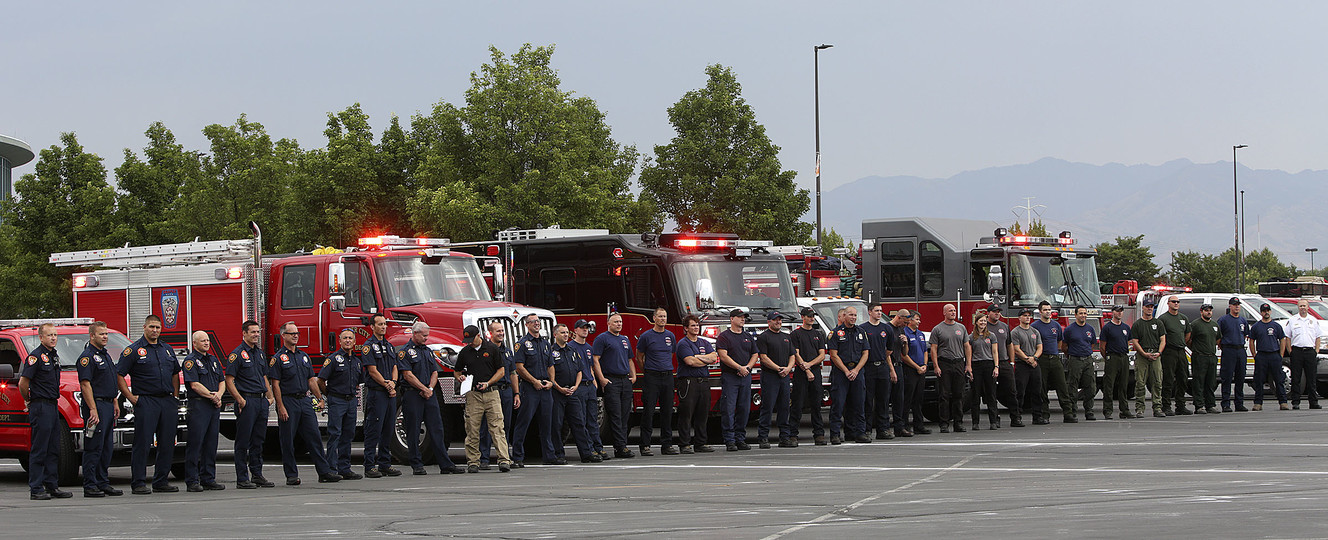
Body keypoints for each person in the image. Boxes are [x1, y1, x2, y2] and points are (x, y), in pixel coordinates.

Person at [270, 321, 341, 484]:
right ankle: (291, 475)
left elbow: (311, 379)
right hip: (288, 401)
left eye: (297, 333)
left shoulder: (303, 356)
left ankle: (324, 472)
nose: (295, 336)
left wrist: (319, 398)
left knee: (314, 437)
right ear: (283, 336)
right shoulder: (278, 358)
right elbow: (275, 384)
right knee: (287, 440)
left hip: (304, 400)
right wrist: (280, 406)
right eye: (291, 333)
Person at [116, 315, 181, 494]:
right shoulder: (134, 350)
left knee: (167, 442)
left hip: (167, 401)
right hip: (146, 401)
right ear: (144, 327)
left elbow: (175, 372)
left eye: (158, 328)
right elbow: (119, 374)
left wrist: (175, 396)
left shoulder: (167, 349)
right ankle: (138, 483)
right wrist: (130, 397)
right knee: (143, 443)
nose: (155, 330)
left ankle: (161, 481)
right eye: (152, 327)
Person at [398, 321, 466, 474]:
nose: (426, 338)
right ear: (415, 334)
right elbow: (407, 375)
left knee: (437, 428)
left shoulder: (427, 351)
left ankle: (445, 464)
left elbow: (435, 372)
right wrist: (423, 388)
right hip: (413, 394)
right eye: (424, 335)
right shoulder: (405, 352)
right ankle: (416, 464)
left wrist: (429, 388)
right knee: (413, 430)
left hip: (429, 394)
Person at [20, 323, 71, 500]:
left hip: (52, 405)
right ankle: (36, 488)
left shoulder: (54, 356)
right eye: (49, 335)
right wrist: (29, 400)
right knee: (40, 449)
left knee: (53, 448)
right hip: (40, 405)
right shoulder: (35, 357)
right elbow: (23, 383)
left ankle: (52, 485)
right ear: (41, 337)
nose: (53, 338)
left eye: (55, 335)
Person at [455, 325, 514, 472]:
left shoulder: (492, 349)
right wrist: (460, 377)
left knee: (497, 428)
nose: (470, 342)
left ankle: (504, 460)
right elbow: (457, 371)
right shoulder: (465, 352)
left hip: (491, 392)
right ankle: (473, 461)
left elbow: (501, 371)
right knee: (472, 428)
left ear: (478, 336)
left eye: (472, 339)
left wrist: (488, 383)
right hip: (473, 394)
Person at [225, 320, 275, 489]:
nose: (256, 335)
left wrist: (270, 396)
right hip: (247, 401)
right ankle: (242, 478)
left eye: (257, 332)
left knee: (258, 440)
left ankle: (257, 474)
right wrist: (240, 399)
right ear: (244, 334)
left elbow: (263, 376)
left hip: (261, 401)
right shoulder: (237, 354)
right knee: (243, 441)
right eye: (252, 332)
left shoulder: (259, 354)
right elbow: (229, 380)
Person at [76, 322, 121, 497]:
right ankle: (90, 485)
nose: (104, 337)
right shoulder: (87, 357)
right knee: (94, 446)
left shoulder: (106, 355)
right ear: (92, 336)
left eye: (106, 334)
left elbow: (109, 382)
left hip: (108, 404)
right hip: (97, 406)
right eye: (101, 334)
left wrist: (115, 401)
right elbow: (85, 385)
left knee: (106, 447)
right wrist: (92, 409)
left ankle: (102, 482)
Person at [512, 313, 561, 466]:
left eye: (538, 321)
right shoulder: (522, 343)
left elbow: (550, 365)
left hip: (545, 389)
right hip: (530, 388)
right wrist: (534, 381)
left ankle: (549, 456)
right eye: (533, 322)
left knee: (548, 423)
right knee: (523, 422)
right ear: (526, 325)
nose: (536, 324)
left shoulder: (546, 343)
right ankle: (518, 456)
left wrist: (551, 382)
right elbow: (519, 367)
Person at [182, 331, 225, 492]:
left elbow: (222, 380)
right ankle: (192, 480)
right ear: (195, 343)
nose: (206, 343)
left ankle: (208, 478)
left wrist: (219, 395)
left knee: (211, 443)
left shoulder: (213, 360)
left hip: (213, 405)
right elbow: (194, 384)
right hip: (199, 405)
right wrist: (212, 396)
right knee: (196, 443)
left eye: (207, 340)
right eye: (203, 341)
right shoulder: (190, 361)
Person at [360, 313, 402, 478]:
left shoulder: (390, 346)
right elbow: (372, 370)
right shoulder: (368, 346)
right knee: (374, 429)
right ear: (372, 327)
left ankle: (385, 463)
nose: (383, 327)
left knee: (388, 428)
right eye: (380, 324)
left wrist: (393, 382)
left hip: (389, 392)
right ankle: (369, 465)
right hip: (377, 393)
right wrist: (386, 384)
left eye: (385, 324)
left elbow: (395, 367)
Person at [318, 329, 363, 480]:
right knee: (335, 434)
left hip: (351, 401)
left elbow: (359, 382)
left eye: (350, 338)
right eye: (345, 338)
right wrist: (329, 395)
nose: (348, 340)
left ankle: (345, 468)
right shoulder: (333, 359)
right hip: (337, 400)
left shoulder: (357, 362)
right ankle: (331, 468)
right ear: (340, 341)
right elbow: (320, 380)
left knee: (348, 435)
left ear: (355, 342)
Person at [551, 324, 600, 463]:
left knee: (579, 423)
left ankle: (586, 453)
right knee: (558, 424)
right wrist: (559, 388)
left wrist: (575, 386)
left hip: (572, 392)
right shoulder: (551, 352)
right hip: (558, 393)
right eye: (562, 333)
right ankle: (558, 454)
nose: (566, 335)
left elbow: (579, 371)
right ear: (555, 335)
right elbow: (550, 374)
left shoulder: (572, 351)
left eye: (567, 332)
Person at [593, 313, 636, 458]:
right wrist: (602, 379)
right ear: (608, 323)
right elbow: (595, 359)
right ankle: (620, 447)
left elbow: (630, 359)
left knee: (625, 415)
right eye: (616, 321)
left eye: (620, 321)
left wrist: (634, 375)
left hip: (625, 380)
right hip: (611, 380)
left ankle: (621, 446)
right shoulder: (602, 338)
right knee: (615, 415)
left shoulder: (625, 340)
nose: (619, 324)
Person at [636, 307, 678, 456]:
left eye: (665, 317)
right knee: (649, 411)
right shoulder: (646, 336)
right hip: (651, 377)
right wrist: (647, 370)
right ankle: (645, 445)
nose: (662, 319)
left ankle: (667, 444)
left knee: (667, 411)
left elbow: (671, 353)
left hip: (667, 376)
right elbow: (639, 356)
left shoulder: (670, 336)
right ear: (654, 318)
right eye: (660, 316)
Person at [479, 321, 520, 468]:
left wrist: (516, 393)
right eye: (498, 331)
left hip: (507, 391)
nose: (501, 333)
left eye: (502, 331)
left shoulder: (507, 351)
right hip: (492, 391)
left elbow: (513, 373)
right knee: (487, 425)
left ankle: (505, 457)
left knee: (506, 425)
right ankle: (483, 459)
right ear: (490, 333)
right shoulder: (485, 350)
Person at [717, 309, 759, 451]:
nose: (743, 320)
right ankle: (729, 440)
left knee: (744, 409)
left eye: (744, 317)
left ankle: (740, 438)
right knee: (729, 409)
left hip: (745, 377)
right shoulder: (724, 337)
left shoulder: (748, 336)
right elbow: (723, 356)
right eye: (740, 317)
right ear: (732, 319)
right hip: (730, 377)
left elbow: (755, 354)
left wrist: (747, 367)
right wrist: (738, 368)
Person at [675, 315, 718, 453]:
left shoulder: (704, 342)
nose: (696, 328)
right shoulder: (683, 344)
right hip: (688, 382)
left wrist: (698, 357)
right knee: (686, 414)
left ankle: (700, 443)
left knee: (702, 413)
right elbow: (690, 362)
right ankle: (684, 444)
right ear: (686, 328)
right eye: (693, 325)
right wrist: (704, 360)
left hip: (703, 382)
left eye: (697, 325)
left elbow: (714, 358)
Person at [827, 307, 869, 444]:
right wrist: (846, 371)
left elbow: (865, 353)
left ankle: (859, 433)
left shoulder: (861, 332)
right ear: (843, 316)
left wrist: (856, 370)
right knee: (838, 404)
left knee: (859, 403)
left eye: (855, 315)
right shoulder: (835, 333)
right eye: (850, 315)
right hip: (841, 372)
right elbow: (834, 355)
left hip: (857, 371)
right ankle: (835, 434)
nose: (853, 317)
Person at [929, 303, 972, 433]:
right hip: (944, 363)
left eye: (954, 310)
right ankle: (944, 423)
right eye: (950, 311)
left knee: (959, 394)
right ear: (944, 313)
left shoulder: (961, 328)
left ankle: (958, 423)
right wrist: (936, 366)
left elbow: (967, 346)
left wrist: (968, 364)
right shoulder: (938, 329)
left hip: (958, 363)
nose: (953, 313)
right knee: (944, 395)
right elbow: (933, 349)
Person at [570, 320, 608, 461]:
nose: (585, 330)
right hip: (579, 387)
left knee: (593, 419)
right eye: (582, 328)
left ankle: (598, 447)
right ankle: (589, 448)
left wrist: (594, 382)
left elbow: (591, 366)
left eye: (587, 328)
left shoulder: (588, 347)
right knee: (582, 419)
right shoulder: (570, 347)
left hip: (589, 386)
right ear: (575, 330)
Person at [757, 311, 796, 448]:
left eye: (780, 320)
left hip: (785, 376)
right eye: (775, 320)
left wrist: (788, 368)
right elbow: (763, 357)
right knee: (767, 406)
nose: (778, 322)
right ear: (769, 322)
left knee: (785, 407)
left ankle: (784, 437)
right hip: (770, 376)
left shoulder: (786, 337)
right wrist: (778, 368)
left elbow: (793, 355)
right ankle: (763, 437)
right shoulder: (763, 337)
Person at [859, 304, 897, 440]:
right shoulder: (863, 328)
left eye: (881, 311)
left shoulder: (886, 328)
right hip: (868, 367)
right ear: (869, 312)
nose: (879, 313)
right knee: (868, 400)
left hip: (882, 366)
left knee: (883, 400)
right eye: (876, 311)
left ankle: (883, 429)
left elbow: (889, 349)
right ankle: (867, 429)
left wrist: (887, 364)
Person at [1032, 302, 1074, 423]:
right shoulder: (1035, 326)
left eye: (1049, 310)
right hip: (1042, 359)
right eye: (1045, 310)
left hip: (1055, 358)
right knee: (1042, 388)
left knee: (1062, 386)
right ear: (1040, 312)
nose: (1048, 312)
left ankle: (1068, 413)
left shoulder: (1056, 325)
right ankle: (1044, 414)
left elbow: (1060, 342)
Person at [789, 308, 826, 445]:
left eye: (813, 316)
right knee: (797, 404)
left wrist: (810, 365)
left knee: (817, 404)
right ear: (802, 317)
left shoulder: (818, 334)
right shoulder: (796, 334)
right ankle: (793, 434)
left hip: (815, 371)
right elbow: (796, 354)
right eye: (809, 316)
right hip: (801, 372)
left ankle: (819, 434)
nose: (812, 318)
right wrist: (806, 368)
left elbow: (822, 354)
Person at [1249, 303, 1290, 411]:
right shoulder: (1256, 326)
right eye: (1264, 311)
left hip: (1274, 355)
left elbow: (1282, 339)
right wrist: (1255, 355)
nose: (1266, 312)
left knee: (1279, 379)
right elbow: (1251, 341)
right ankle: (1258, 403)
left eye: (1268, 310)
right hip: (1261, 355)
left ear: (1270, 312)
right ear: (1261, 312)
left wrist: (1281, 354)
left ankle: (1283, 402)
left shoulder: (1276, 326)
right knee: (1259, 380)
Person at [1156, 295, 1192, 415]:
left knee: (1183, 378)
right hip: (1169, 352)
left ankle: (1180, 405)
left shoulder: (1183, 318)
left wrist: (1182, 343)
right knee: (1168, 379)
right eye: (1173, 302)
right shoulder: (1163, 319)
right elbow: (1160, 336)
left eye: (1177, 302)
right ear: (1168, 303)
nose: (1176, 304)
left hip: (1181, 350)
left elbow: (1187, 334)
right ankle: (1166, 406)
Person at [896, 311, 931, 435]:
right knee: (908, 398)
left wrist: (925, 365)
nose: (919, 322)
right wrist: (916, 367)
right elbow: (904, 355)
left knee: (918, 398)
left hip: (921, 370)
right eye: (916, 319)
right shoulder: (904, 333)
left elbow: (925, 351)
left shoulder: (920, 334)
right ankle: (905, 425)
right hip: (909, 369)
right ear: (909, 320)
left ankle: (919, 424)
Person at [1061, 306, 1098, 421]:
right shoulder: (1069, 329)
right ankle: (1072, 411)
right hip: (1075, 359)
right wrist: (1072, 356)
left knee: (1091, 386)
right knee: (1072, 386)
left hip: (1087, 359)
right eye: (1081, 313)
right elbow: (1064, 346)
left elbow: (1092, 344)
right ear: (1075, 315)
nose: (1083, 315)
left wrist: (1086, 353)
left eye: (1085, 313)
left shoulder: (1090, 329)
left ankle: (1089, 411)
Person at [1131, 301, 1166, 418]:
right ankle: (1139, 409)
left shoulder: (1158, 323)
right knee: (1140, 383)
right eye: (1147, 307)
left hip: (1156, 355)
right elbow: (1135, 341)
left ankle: (1157, 408)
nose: (1150, 309)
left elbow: (1163, 340)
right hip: (1142, 356)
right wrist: (1144, 354)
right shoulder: (1137, 324)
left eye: (1151, 307)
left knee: (1157, 382)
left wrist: (1159, 353)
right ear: (1143, 308)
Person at [1009, 308, 1045, 426]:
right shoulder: (1015, 332)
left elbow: (1040, 347)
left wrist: (1034, 358)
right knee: (1020, 391)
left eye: (1029, 315)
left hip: (1034, 363)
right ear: (1019, 318)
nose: (1027, 317)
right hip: (1022, 364)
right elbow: (1016, 349)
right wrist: (1027, 359)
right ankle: (1016, 417)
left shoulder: (1035, 331)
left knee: (1037, 391)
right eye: (1024, 315)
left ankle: (1038, 416)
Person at [1099, 306, 1135, 419]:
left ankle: (1124, 410)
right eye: (1117, 311)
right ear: (1112, 313)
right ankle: (1108, 410)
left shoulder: (1125, 327)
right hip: (1112, 357)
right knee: (1109, 385)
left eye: (1121, 311)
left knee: (1124, 385)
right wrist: (1108, 357)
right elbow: (1102, 346)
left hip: (1123, 357)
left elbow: (1129, 341)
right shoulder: (1107, 328)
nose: (1119, 313)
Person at [1287, 298, 1322, 409]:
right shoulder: (1293, 320)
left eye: (1304, 306)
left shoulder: (1313, 320)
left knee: (1311, 378)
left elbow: (1318, 337)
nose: (1302, 308)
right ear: (1298, 307)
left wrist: (1316, 350)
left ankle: (1313, 402)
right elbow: (1287, 337)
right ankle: (1295, 402)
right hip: (1297, 351)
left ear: (1308, 307)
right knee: (1296, 378)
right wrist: (1290, 351)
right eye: (1301, 306)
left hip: (1310, 352)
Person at [968, 313, 1001, 430]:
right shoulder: (971, 337)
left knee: (991, 394)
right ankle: (975, 422)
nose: (983, 323)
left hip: (989, 364)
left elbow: (995, 352)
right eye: (981, 321)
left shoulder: (991, 336)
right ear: (976, 322)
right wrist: (969, 368)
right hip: (976, 365)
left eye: (984, 321)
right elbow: (969, 353)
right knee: (975, 395)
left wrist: (996, 366)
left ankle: (993, 421)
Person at [1187, 304, 1222, 414]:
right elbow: (1188, 340)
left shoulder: (1214, 324)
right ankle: (1199, 405)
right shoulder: (1196, 324)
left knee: (1211, 382)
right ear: (1201, 312)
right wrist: (1196, 350)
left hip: (1211, 357)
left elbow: (1218, 340)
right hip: (1199, 357)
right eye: (1206, 310)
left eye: (1210, 310)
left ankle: (1210, 404)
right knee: (1199, 382)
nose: (1208, 312)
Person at [985, 305, 1017, 425]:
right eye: (994, 312)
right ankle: (995, 419)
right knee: (992, 393)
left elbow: (1009, 345)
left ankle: (1015, 418)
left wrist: (1012, 362)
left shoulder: (1004, 326)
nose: (997, 314)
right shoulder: (983, 327)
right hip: (989, 362)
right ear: (988, 313)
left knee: (1011, 391)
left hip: (1004, 362)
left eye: (998, 312)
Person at [1218, 297, 1251, 412]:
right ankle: (1226, 403)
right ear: (1230, 306)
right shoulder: (1223, 320)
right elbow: (1218, 336)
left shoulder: (1243, 320)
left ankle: (1239, 403)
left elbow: (1246, 334)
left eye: (1238, 305)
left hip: (1240, 350)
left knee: (1240, 377)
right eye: (1234, 304)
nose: (1237, 307)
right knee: (1227, 377)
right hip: (1228, 350)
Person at [888, 309, 913, 436]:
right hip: (889, 366)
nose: (906, 325)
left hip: (899, 364)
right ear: (899, 317)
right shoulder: (888, 329)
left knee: (899, 399)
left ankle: (899, 426)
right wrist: (891, 370)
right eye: (905, 322)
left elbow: (905, 353)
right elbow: (886, 352)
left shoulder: (901, 330)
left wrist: (905, 343)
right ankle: (885, 426)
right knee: (886, 397)